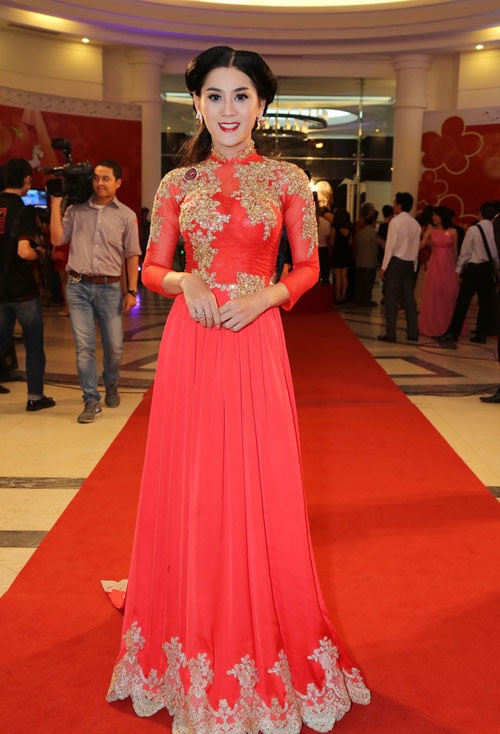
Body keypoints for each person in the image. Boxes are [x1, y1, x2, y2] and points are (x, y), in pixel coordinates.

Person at [106, 45, 370, 732]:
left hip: (256, 338)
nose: (228, 109)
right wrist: (184, 279)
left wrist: (266, 296)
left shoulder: (287, 179)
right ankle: (186, 609)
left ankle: (257, 612)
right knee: (192, 475)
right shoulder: (177, 183)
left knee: (258, 475)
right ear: (196, 104)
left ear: (263, 104)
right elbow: (151, 269)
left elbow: (308, 267)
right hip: (192, 343)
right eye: (215, 96)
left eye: (241, 95)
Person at [50, 160, 141, 423]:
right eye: (96, 178)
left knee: (114, 346)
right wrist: (56, 204)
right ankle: (91, 399)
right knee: (84, 348)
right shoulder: (76, 210)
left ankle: (111, 382)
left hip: (110, 288)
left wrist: (131, 290)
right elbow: (57, 239)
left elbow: (132, 254)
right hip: (78, 287)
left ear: (118, 183)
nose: (100, 183)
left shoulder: (126, 215)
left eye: (106, 178)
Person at [0, 158, 55, 409]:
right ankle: (35, 397)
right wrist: (39, 253)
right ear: (25, 180)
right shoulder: (24, 209)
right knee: (33, 344)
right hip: (22, 289)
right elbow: (24, 251)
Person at [439, 201, 499, 350]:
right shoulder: (495, 229)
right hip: (488, 269)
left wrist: (458, 269)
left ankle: (453, 332)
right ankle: (481, 334)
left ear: (480, 214)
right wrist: (496, 268)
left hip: (473, 269)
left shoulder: (473, 229)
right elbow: (496, 254)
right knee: (485, 304)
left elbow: (465, 252)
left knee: (463, 302)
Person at [378, 191, 421, 343]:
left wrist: (384, 267)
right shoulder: (415, 224)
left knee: (391, 298)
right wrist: (414, 265)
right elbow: (416, 247)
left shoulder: (395, 222)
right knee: (409, 299)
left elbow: (390, 247)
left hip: (396, 263)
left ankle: (391, 334)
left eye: (395, 203)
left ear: (400, 205)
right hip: (409, 264)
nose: (394, 205)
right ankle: (413, 333)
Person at [418, 206, 459, 338]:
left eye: (436, 215)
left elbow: (454, 251)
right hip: (434, 265)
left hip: (448, 266)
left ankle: (447, 325)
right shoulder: (431, 229)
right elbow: (422, 243)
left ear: (442, 216)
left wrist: (457, 269)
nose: (433, 217)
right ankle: (432, 324)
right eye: (433, 215)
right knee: (433, 295)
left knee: (447, 294)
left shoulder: (453, 231)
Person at [355, 209, 379, 306]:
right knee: (369, 283)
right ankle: (367, 300)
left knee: (361, 282)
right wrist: (377, 261)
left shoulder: (360, 233)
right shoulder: (373, 233)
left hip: (360, 261)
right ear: (373, 222)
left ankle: (360, 299)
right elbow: (374, 248)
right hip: (370, 261)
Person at [330, 207, 353, 304]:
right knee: (344, 275)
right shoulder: (349, 229)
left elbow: (332, 242)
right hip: (345, 253)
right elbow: (350, 242)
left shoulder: (334, 228)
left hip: (337, 252)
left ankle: (338, 296)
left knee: (337, 276)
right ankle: (343, 296)